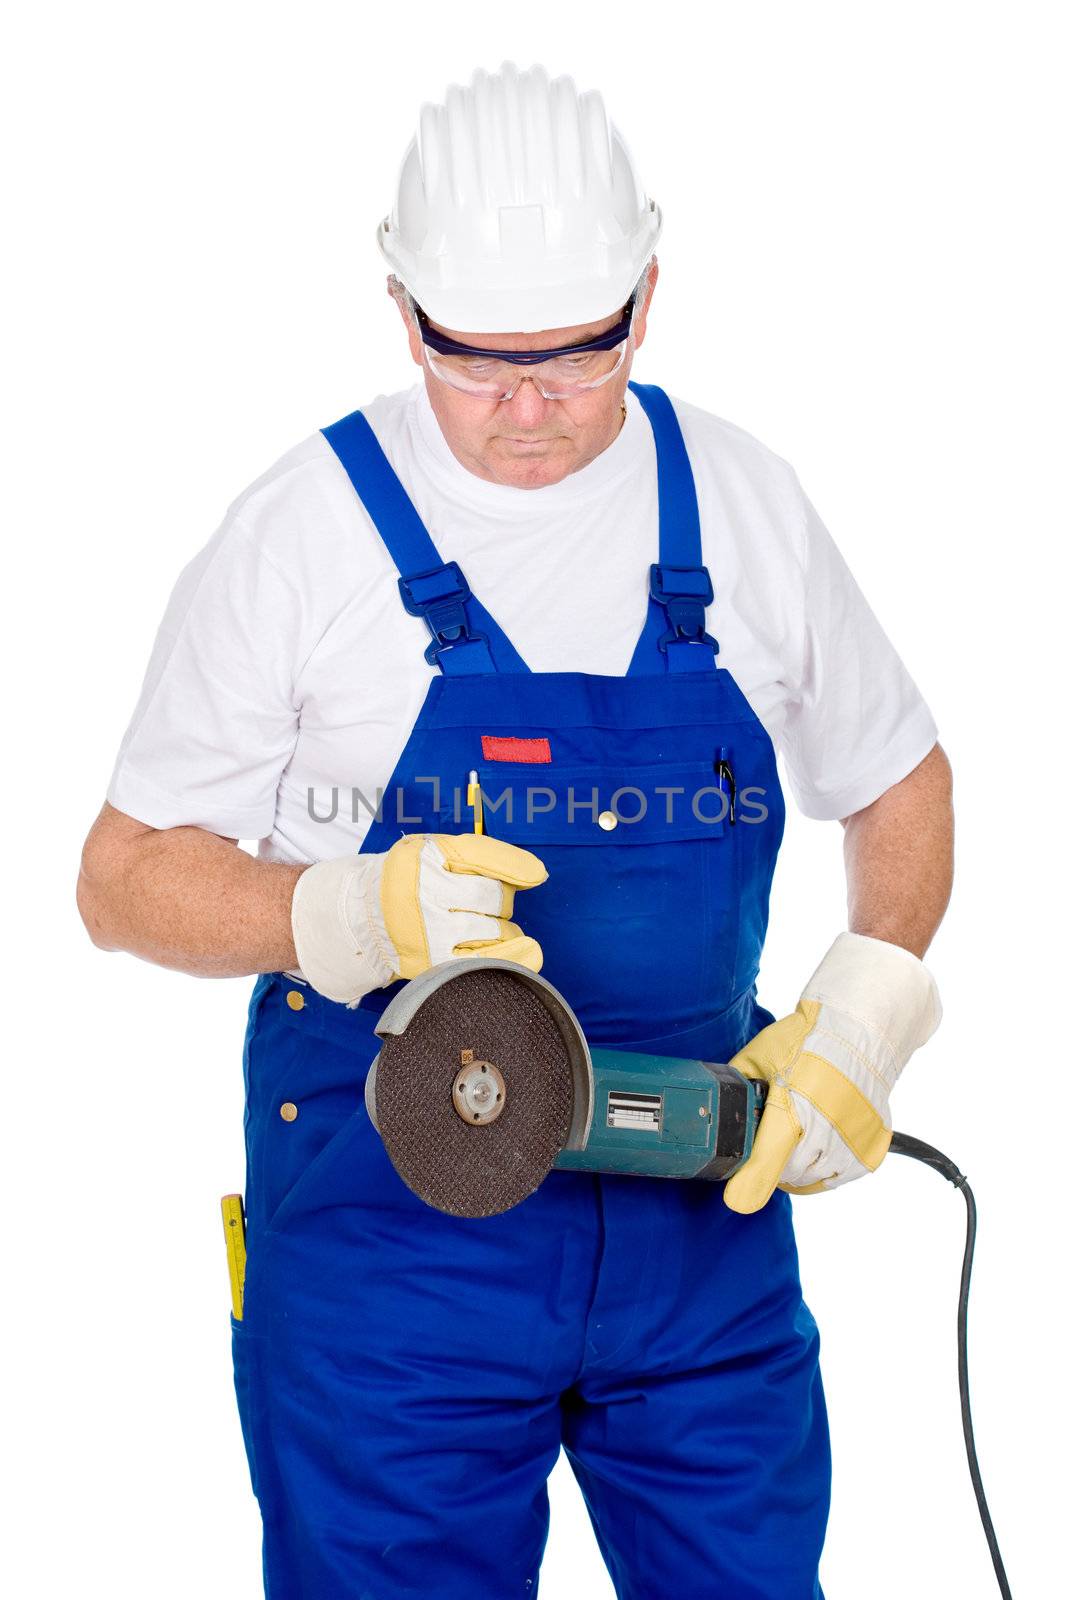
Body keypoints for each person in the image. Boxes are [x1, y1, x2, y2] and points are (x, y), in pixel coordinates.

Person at [77, 61, 953, 1600]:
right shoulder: (303, 533)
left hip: (697, 1197)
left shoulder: (741, 504)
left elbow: (899, 779)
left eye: (577, 354)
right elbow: (121, 880)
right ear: (403, 304)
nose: (528, 409)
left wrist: (868, 1003)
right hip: (388, 1229)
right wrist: (327, 918)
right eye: (474, 360)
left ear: (649, 293)